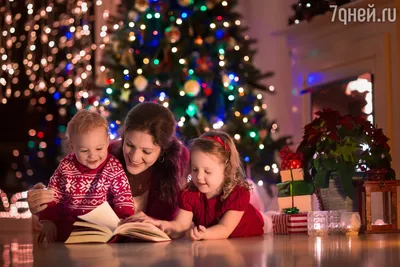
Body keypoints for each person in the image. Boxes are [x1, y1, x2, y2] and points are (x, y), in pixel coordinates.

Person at [28, 102, 189, 226]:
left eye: (146, 151)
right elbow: (70, 195)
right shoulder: (104, 154)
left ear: (163, 151)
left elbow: (178, 220)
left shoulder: (176, 162)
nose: (134, 156)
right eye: (129, 145)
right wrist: (42, 204)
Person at [147, 131, 266, 240]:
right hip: (219, 243)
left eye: (207, 171)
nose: (199, 176)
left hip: (249, 231)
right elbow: (181, 225)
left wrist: (205, 234)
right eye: (195, 169)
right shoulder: (190, 194)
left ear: (226, 169)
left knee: (267, 222)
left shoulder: (237, 194)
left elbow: (225, 228)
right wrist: (162, 225)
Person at [37, 110, 135, 242]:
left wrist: (124, 220)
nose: (93, 156)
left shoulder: (113, 167)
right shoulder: (66, 166)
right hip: (70, 228)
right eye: (84, 150)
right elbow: (53, 195)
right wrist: (48, 220)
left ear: (107, 141)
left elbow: (122, 196)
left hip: (103, 229)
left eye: (99, 149)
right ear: (72, 146)